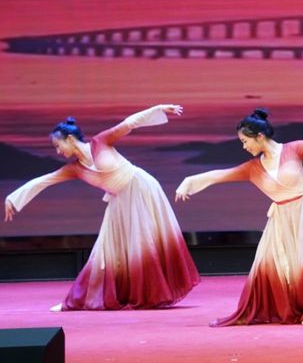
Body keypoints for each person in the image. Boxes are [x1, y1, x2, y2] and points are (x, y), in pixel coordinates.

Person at [175, 108, 303, 325]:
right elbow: (220, 175)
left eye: (245, 141)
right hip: (281, 217)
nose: (244, 147)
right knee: (275, 263)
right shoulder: (252, 168)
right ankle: (288, 308)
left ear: (260, 136)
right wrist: (188, 182)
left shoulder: (294, 150)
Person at [4, 105, 199, 311]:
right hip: (119, 201)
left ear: (70, 139)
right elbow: (45, 180)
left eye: (58, 145)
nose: (58, 151)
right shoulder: (75, 169)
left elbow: (129, 124)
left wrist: (158, 109)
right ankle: (81, 299)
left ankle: (151, 294)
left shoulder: (101, 142)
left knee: (144, 243)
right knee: (106, 251)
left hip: (140, 188)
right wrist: (13, 198)